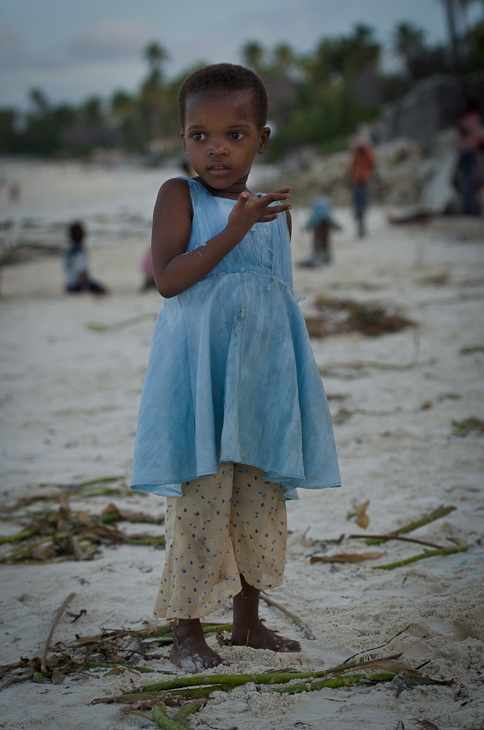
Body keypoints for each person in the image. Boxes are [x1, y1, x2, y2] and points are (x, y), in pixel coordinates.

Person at [130, 64, 341, 672]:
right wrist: (236, 227)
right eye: (200, 135)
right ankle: (186, 629)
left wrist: (291, 389)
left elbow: (279, 301)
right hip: (203, 388)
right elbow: (169, 280)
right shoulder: (180, 196)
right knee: (201, 506)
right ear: (183, 140)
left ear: (262, 139)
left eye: (234, 133)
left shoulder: (275, 213)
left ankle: (246, 624)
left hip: (263, 389)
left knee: (258, 504)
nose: (215, 148)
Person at [454, 98, 484, 216]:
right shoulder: (466, 118)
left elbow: (472, 133)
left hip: (470, 153)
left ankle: (469, 211)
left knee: (469, 183)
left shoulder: (472, 117)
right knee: (466, 182)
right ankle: (468, 210)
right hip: (464, 153)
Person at [64, 222, 108, 294]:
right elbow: (81, 271)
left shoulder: (69, 251)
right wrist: (85, 287)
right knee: (103, 290)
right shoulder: (79, 251)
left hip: (69, 285)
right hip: (78, 285)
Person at [299, 196, 342, 267]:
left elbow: (311, 220)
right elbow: (332, 220)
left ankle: (318, 255)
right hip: (325, 226)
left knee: (318, 242)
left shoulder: (316, 215)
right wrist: (337, 227)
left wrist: (307, 227)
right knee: (325, 242)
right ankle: (324, 255)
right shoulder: (327, 214)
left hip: (318, 227)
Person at [350, 138, 374, 238]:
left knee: (362, 206)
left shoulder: (365, 157)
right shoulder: (356, 157)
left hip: (363, 184)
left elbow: (371, 162)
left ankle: (361, 226)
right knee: (358, 207)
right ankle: (360, 226)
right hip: (357, 184)